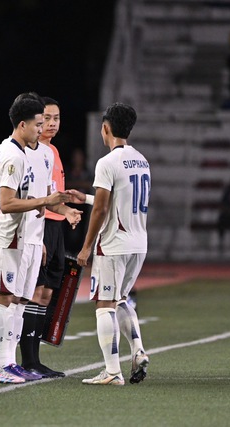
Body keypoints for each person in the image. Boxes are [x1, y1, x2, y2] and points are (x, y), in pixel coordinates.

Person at [0, 94, 72, 384]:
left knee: (18, 301)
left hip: (27, 238)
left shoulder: (37, 153)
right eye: (38, 124)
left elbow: (40, 199)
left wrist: (61, 210)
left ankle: (8, 363)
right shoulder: (10, 154)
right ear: (22, 124)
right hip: (5, 236)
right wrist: (45, 201)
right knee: (0, 298)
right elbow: (7, 203)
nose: (42, 129)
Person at [76, 102, 150, 386]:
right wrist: (83, 198)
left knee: (104, 304)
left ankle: (112, 371)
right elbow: (121, 201)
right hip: (138, 243)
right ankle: (138, 350)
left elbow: (102, 210)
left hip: (113, 243)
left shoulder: (107, 163)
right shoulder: (141, 160)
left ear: (105, 128)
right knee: (121, 298)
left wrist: (86, 247)